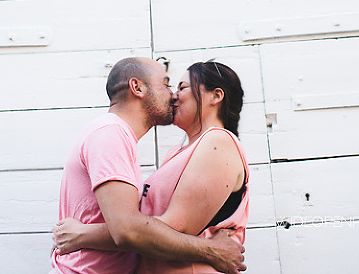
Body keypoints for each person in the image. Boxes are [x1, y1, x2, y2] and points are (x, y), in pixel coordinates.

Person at [49, 57, 246, 274]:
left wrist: (82, 234)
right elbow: (133, 226)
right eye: (167, 85)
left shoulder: (217, 142)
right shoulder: (117, 135)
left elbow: (163, 228)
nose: (173, 95)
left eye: (181, 87)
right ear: (137, 87)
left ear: (216, 96)